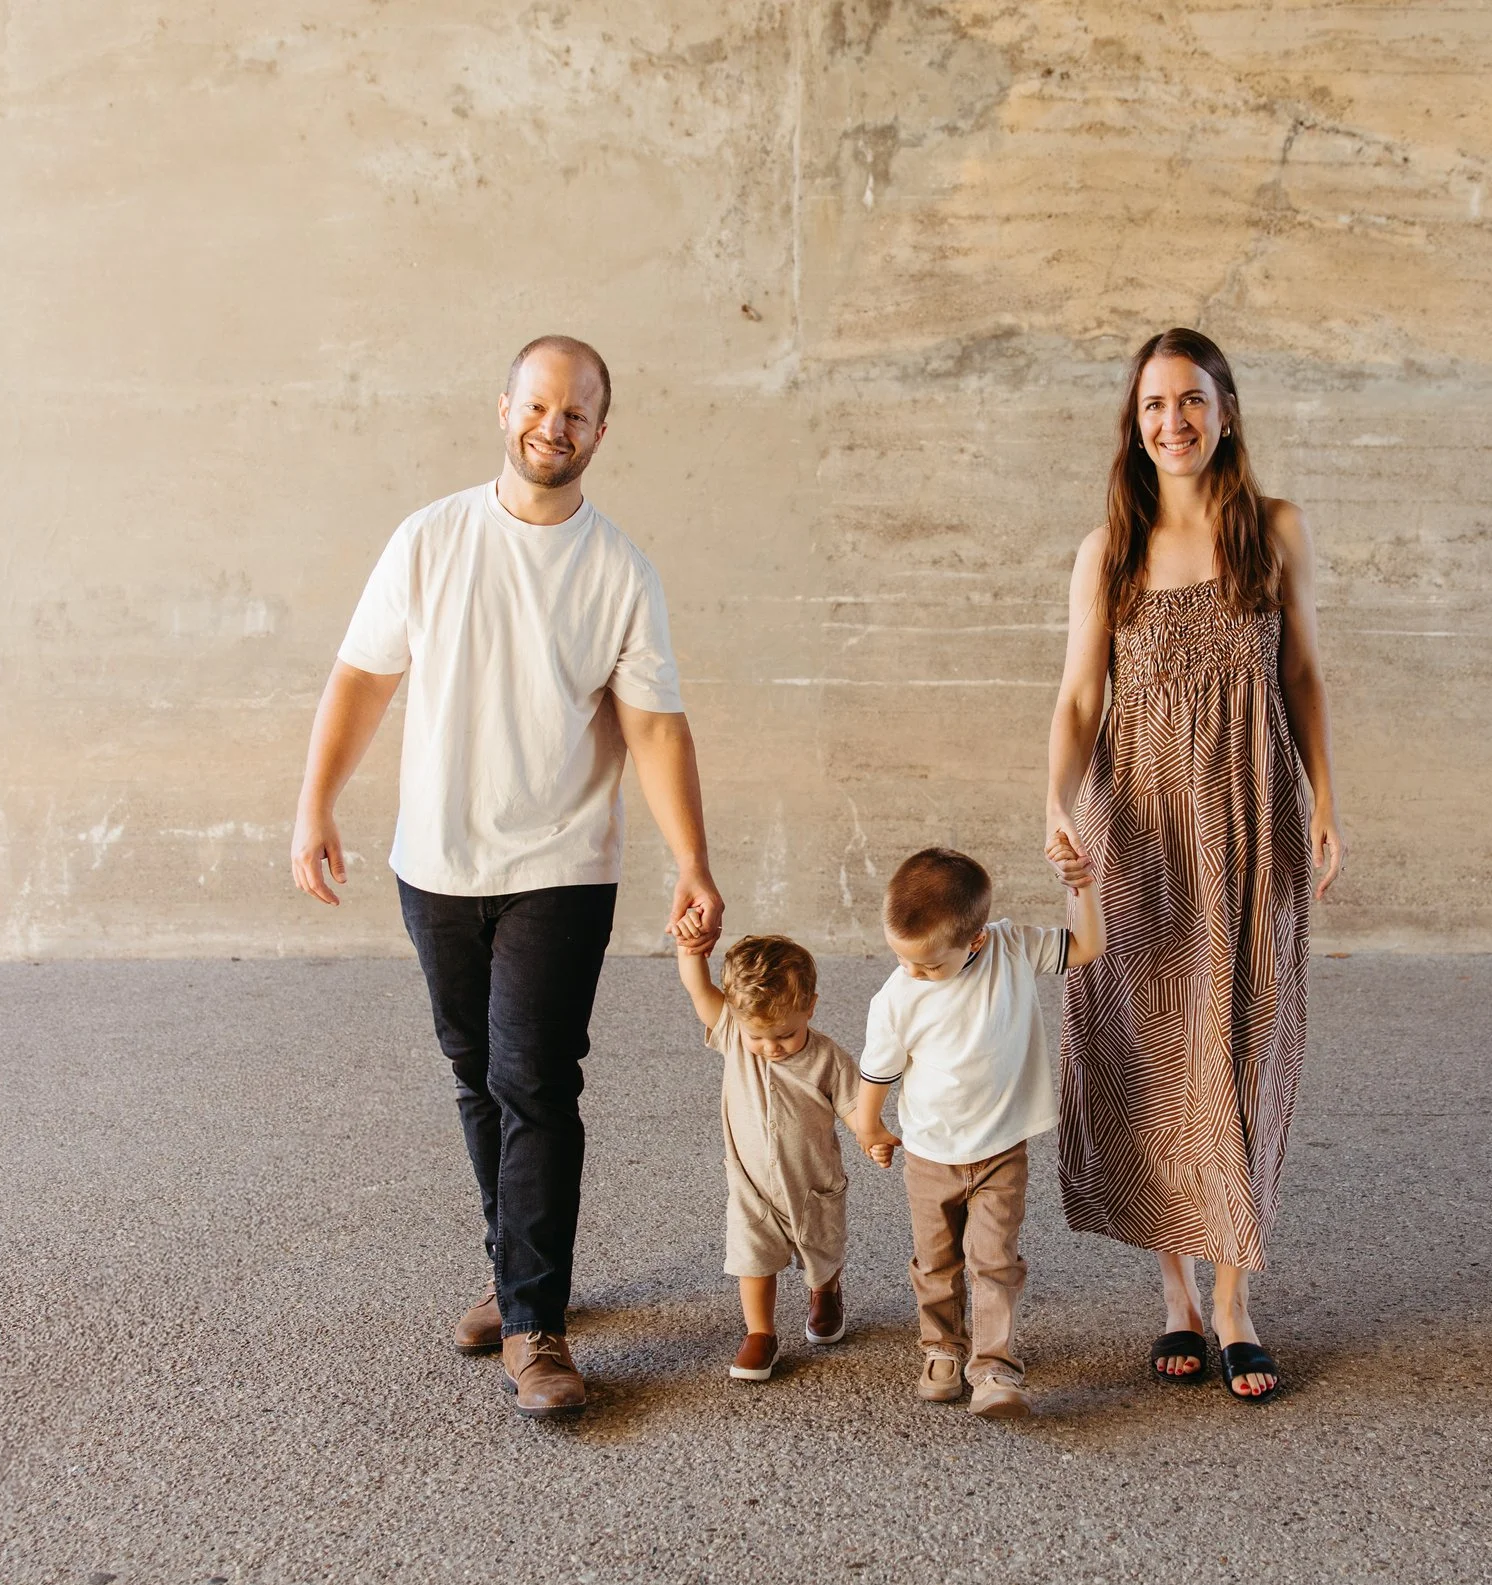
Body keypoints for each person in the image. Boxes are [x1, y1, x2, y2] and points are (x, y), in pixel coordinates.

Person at [290, 335, 723, 1420]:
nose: (553, 426)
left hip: (561, 866)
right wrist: (315, 803)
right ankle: (513, 1262)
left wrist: (692, 861)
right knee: (476, 1072)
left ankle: (536, 1323)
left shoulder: (618, 568)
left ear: (599, 433)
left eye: (576, 413)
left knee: (535, 1078)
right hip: (435, 860)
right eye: (539, 405)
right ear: (505, 409)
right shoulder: (430, 540)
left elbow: (656, 728)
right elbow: (360, 678)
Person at [1045, 327, 1344, 1404]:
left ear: (1226, 410)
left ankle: (1235, 1300)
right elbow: (1082, 696)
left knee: (1246, 1040)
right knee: (1152, 1044)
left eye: (1190, 400)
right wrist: (1054, 799)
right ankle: (1177, 1295)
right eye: (1152, 406)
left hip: (1255, 808)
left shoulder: (1274, 530)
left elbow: (1302, 672)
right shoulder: (1108, 549)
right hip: (1141, 821)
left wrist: (1325, 802)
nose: (1171, 421)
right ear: (1135, 425)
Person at [847, 846, 1103, 1419]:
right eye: (903, 959)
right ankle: (941, 1348)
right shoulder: (896, 997)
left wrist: (1082, 889)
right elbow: (877, 1071)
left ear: (977, 939)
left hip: (1000, 1149)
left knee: (994, 1259)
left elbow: (1086, 947)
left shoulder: (1011, 947)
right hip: (928, 1154)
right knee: (935, 1260)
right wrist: (869, 1127)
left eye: (930, 964)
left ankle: (993, 1366)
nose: (914, 973)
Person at [669, 930, 862, 1383]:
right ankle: (760, 1332)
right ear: (738, 1019)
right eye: (760, 1036)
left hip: (812, 1180)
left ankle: (825, 1291)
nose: (772, 1047)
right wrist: (689, 948)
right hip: (750, 1184)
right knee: (752, 1258)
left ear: (810, 1006)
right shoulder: (734, 1035)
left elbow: (854, 1105)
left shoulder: (827, 1058)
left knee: (822, 1248)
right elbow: (698, 987)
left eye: (785, 1034)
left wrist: (870, 1137)